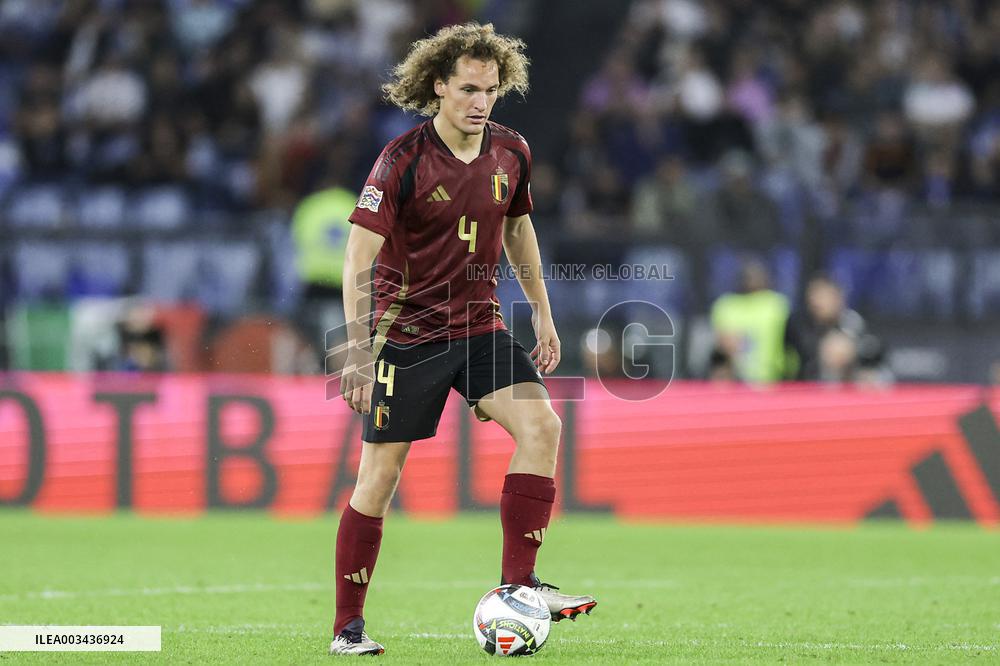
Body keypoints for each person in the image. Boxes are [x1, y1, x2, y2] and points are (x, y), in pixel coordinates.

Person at [330, 23, 596, 656]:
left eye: (492, 90)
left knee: (544, 427)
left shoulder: (512, 152)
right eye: (469, 89)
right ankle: (347, 628)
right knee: (379, 480)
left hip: (480, 326)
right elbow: (357, 259)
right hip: (407, 335)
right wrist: (356, 351)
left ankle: (519, 586)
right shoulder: (401, 161)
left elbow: (519, 231)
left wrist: (543, 312)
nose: (481, 102)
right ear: (439, 87)